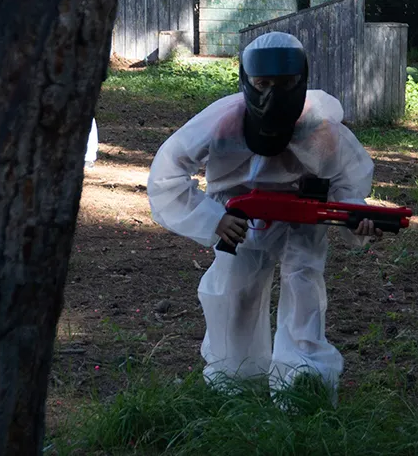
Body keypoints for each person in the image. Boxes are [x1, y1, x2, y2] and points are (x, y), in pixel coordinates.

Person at [146, 32, 382, 404]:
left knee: (303, 291)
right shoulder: (221, 123)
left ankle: (304, 383)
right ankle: (234, 377)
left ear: (302, 81)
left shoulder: (322, 130)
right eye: (263, 84)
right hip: (239, 219)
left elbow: (346, 183)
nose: (273, 95)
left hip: (302, 217)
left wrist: (356, 216)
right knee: (234, 294)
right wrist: (214, 220)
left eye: (286, 84)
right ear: (246, 82)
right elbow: (166, 175)